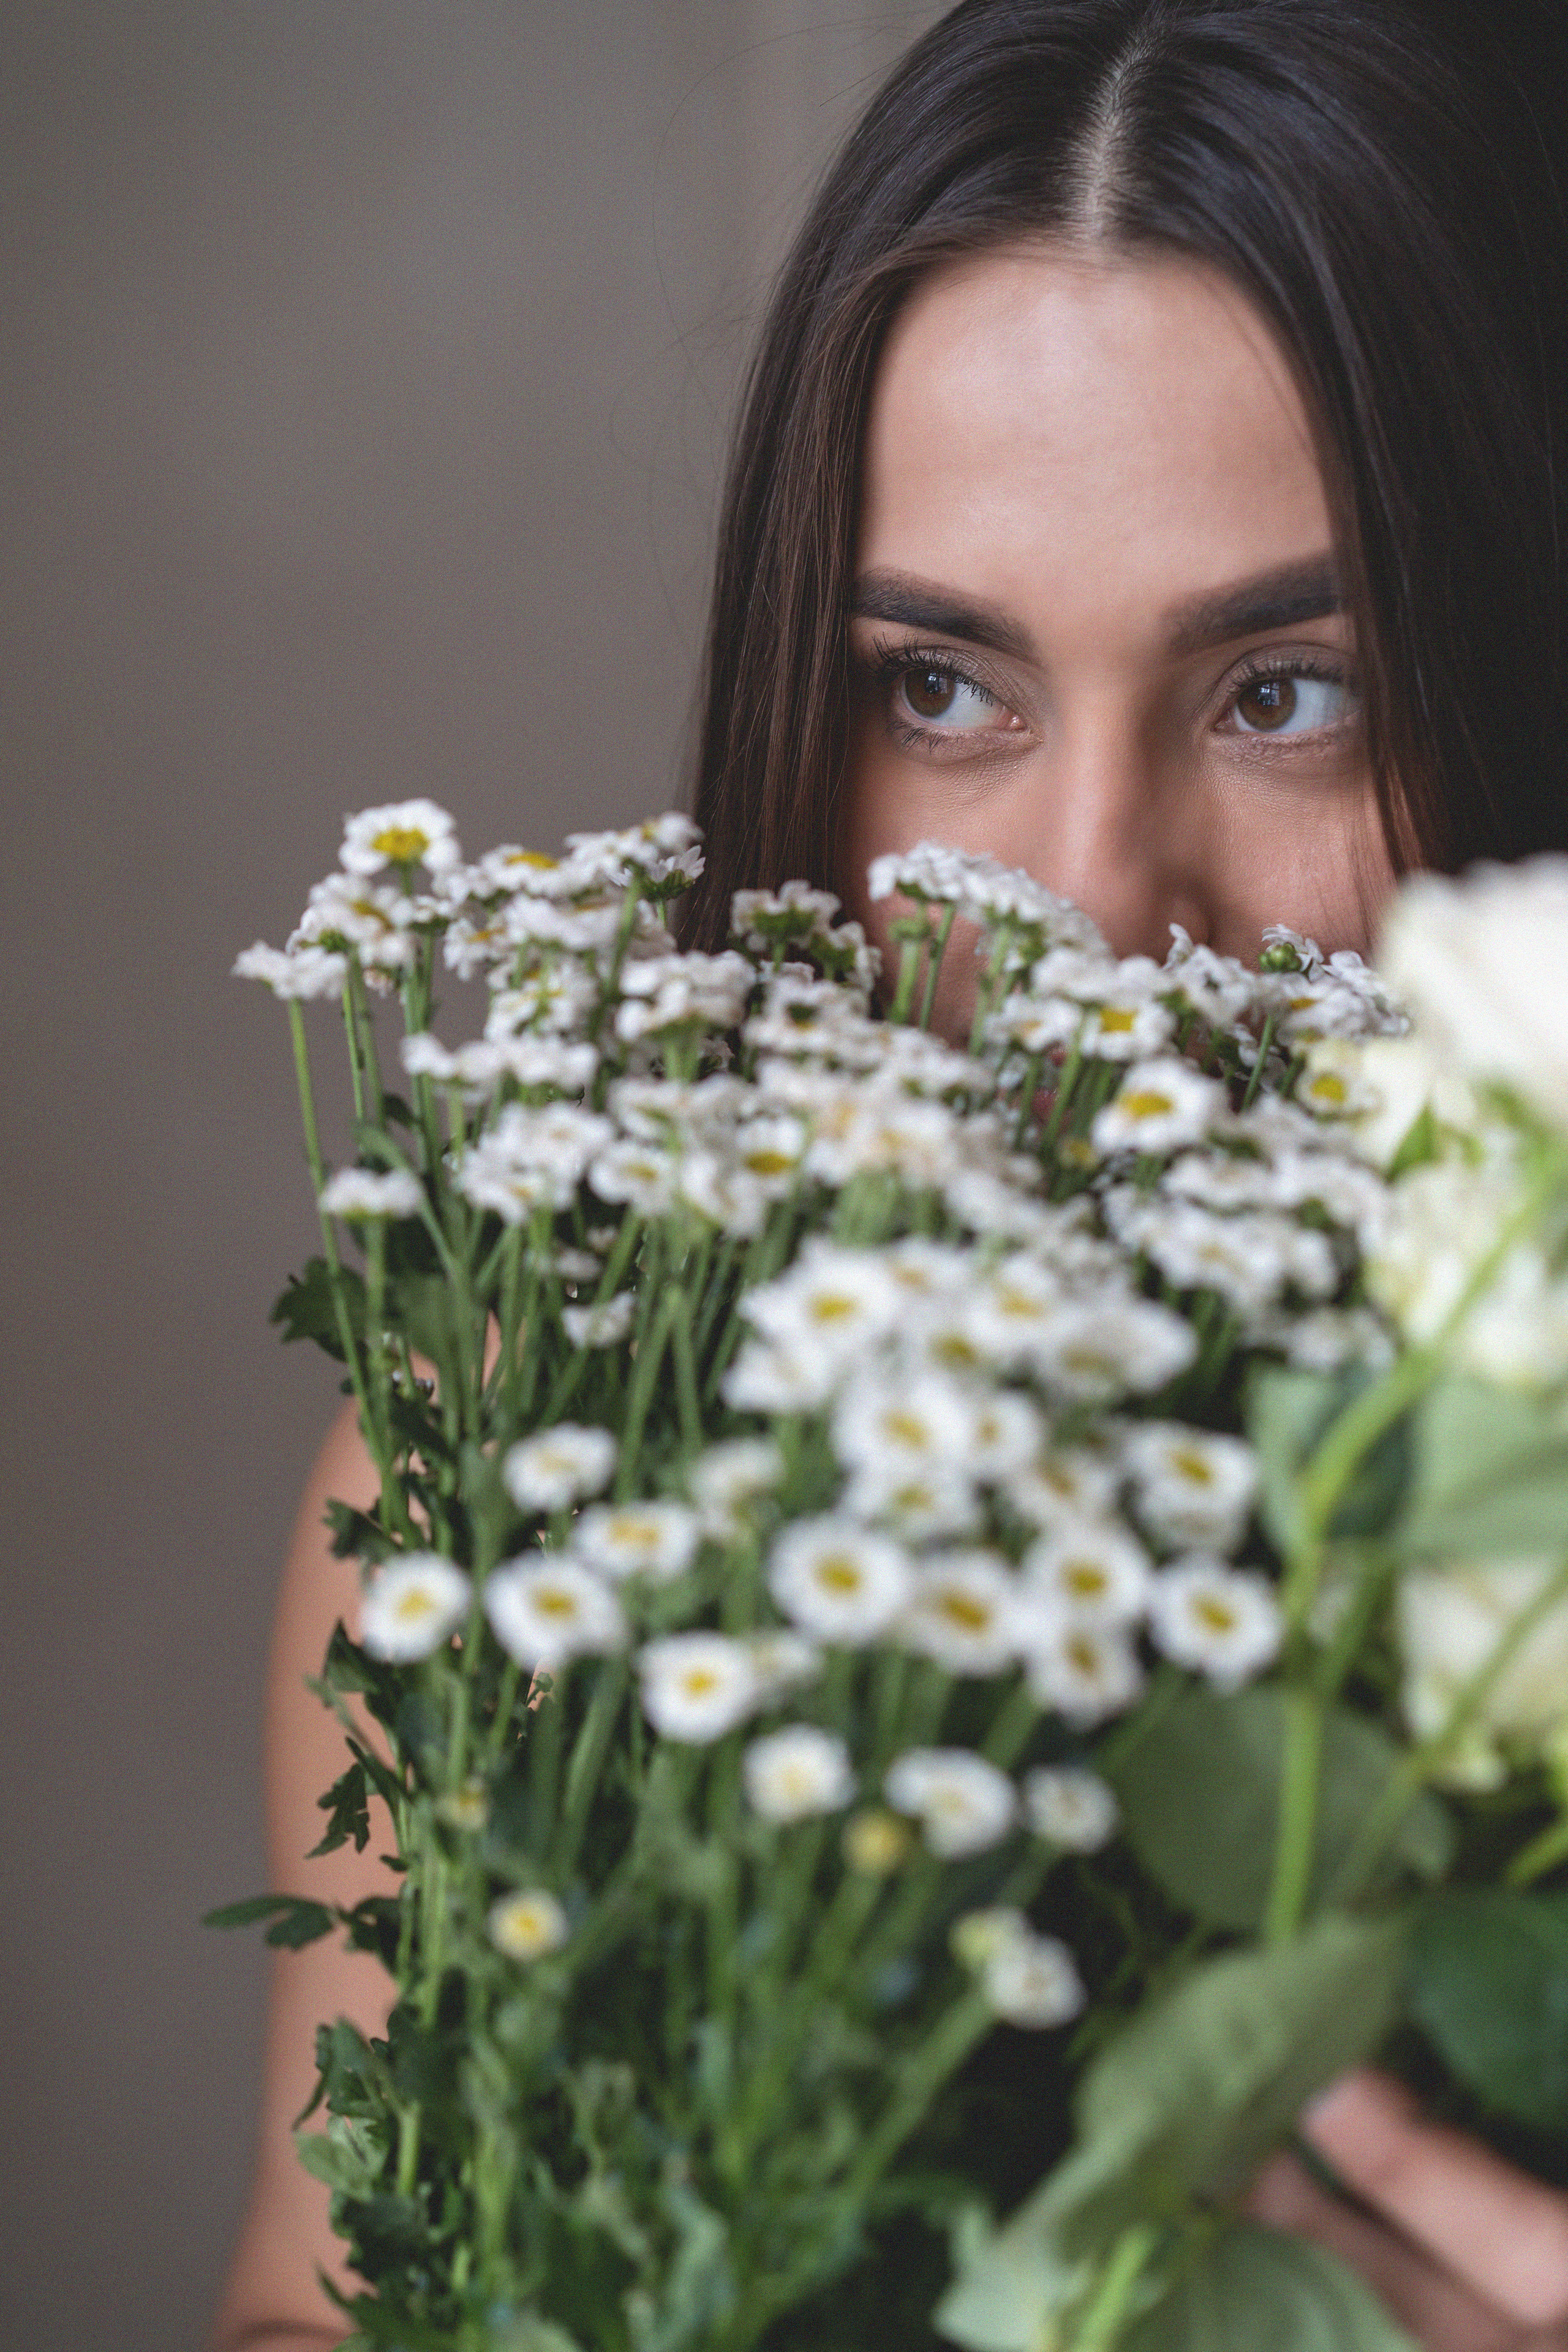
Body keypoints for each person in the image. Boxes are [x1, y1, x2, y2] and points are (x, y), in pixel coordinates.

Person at [212, 3, 1568, 2345]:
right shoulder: (542, 1460)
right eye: (943, 690)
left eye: (1292, 692)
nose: (1093, 899)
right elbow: (313, 2298)